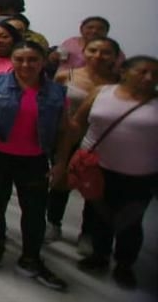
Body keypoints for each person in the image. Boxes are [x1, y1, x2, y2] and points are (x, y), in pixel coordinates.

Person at [0, 41, 70, 290]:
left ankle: (31, 256)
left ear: (42, 61)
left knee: (35, 210)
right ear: (12, 60)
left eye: (32, 60)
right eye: (20, 59)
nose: (26, 65)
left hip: (34, 159)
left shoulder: (57, 93)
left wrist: (61, 163)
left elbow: (63, 131)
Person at [62, 56, 158, 289]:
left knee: (130, 220)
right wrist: (64, 158)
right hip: (97, 167)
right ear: (124, 71)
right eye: (142, 72)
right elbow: (78, 123)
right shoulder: (101, 93)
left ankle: (125, 264)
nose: (149, 78)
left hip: (140, 174)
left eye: (154, 75)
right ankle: (99, 255)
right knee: (99, 214)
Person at [46, 37, 121, 242]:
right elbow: (52, 106)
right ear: (84, 52)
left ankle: (88, 233)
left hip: (101, 141)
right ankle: (53, 222)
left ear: (116, 57)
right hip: (67, 136)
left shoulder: (119, 83)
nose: (98, 56)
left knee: (94, 188)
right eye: (93, 50)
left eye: (105, 52)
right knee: (60, 181)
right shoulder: (65, 75)